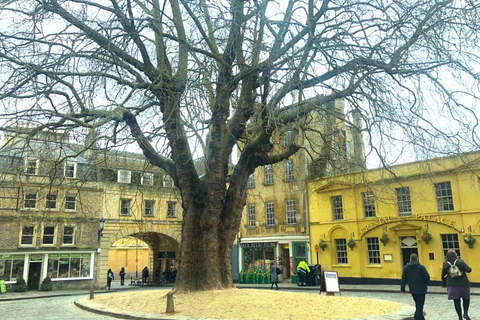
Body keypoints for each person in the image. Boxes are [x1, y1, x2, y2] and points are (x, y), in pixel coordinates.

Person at [441, 249, 472, 320]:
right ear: (455, 255)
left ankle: (460, 317)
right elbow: (469, 270)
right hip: (463, 283)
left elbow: (443, 275)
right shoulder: (460, 262)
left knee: (456, 301)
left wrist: (444, 283)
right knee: (466, 299)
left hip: (452, 284)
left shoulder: (445, 264)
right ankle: (465, 313)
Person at [400, 253, 430, 320]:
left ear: (410, 259)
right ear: (417, 259)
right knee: (420, 305)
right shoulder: (421, 267)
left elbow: (403, 278)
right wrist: (426, 283)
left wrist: (403, 288)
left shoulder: (406, 268)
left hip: (412, 288)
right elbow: (427, 276)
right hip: (421, 289)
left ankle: (421, 318)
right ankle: (417, 318)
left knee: (417, 304)